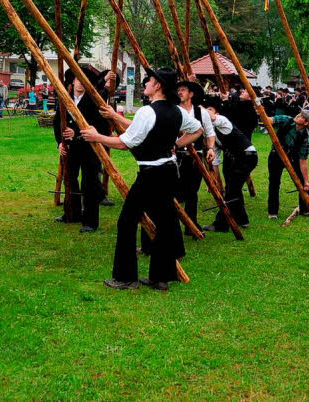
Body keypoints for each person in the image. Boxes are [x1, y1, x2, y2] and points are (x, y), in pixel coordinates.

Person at [82, 67, 202, 291]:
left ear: (158, 86)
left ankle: (126, 277)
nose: (146, 83)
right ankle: (160, 278)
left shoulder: (148, 112)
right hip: (168, 172)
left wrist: (96, 137)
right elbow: (197, 130)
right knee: (165, 224)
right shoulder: (177, 111)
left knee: (126, 222)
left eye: (150, 80)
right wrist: (175, 145)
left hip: (151, 175)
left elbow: (125, 142)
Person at [53, 66, 109, 233]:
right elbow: (57, 123)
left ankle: (90, 221)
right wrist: (59, 143)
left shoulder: (94, 100)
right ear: (73, 80)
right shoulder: (65, 98)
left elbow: (101, 126)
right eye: (78, 79)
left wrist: (77, 132)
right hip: (70, 149)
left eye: (84, 80)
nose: (80, 83)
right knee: (69, 180)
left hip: (89, 148)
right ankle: (71, 213)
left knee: (89, 183)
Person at [201, 94, 257, 232]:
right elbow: (215, 159)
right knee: (234, 189)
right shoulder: (210, 134)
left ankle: (221, 224)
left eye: (210, 109)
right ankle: (242, 220)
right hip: (235, 160)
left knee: (231, 191)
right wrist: (216, 180)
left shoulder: (222, 120)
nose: (206, 113)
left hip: (247, 157)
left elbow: (212, 117)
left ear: (216, 112)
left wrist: (199, 108)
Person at [170, 80, 215, 236]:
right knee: (174, 192)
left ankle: (191, 225)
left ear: (191, 94)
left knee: (192, 192)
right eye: (179, 90)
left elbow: (209, 133)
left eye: (183, 90)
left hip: (195, 157)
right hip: (175, 158)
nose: (180, 92)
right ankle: (173, 226)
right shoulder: (173, 109)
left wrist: (210, 148)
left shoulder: (201, 112)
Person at [269, 108, 309, 218]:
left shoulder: (304, 138)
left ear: (307, 123)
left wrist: (307, 181)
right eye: (300, 113)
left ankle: (305, 209)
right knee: (274, 183)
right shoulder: (287, 120)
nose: (298, 115)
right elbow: (270, 120)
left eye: (302, 116)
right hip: (276, 156)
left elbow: (303, 161)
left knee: (303, 183)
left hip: (293, 159)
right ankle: (273, 212)